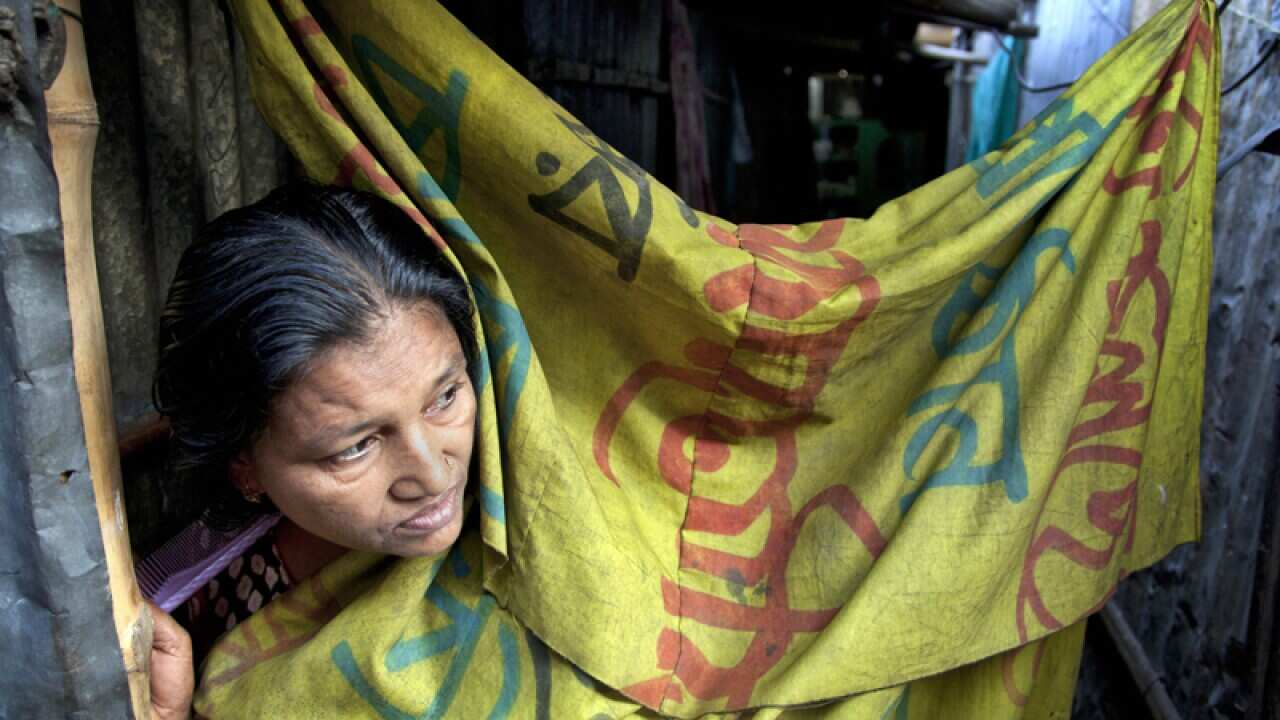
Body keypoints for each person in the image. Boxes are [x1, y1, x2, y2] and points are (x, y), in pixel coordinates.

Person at [143, 183, 480, 720]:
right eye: (356, 447)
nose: (433, 473)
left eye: (445, 397)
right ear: (244, 468)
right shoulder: (194, 616)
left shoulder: (515, 497)